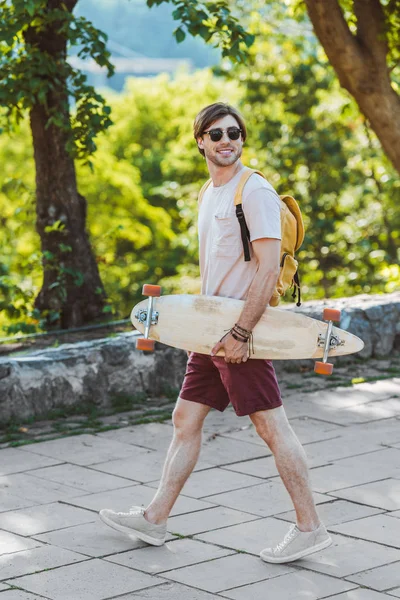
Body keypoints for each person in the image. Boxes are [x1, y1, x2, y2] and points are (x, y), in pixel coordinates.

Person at [99, 102, 332, 563]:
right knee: (185, 421)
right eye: (217, 133)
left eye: (235, 132)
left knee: (272, 428)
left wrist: (243, 333)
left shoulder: (255, 192)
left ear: (242, 138)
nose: (228, 140)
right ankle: (155, 520)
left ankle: (310, 528)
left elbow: (267, 269)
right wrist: (208, 327)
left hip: (240, 334)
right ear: (201, 141)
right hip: (210, 333)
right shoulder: (209, 192)